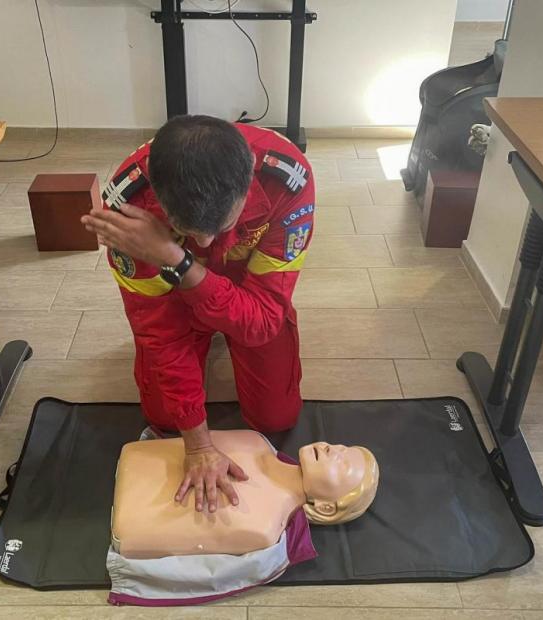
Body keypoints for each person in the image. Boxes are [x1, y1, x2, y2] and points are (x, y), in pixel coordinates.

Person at [81, 115, 315, 514]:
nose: (205, 242)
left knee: (277, 417)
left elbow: (261, 321)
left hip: (247, 290)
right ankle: (206, 326)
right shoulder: (128, 210)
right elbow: (160, 334)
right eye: (185, 229)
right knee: (163, 419)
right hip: (174, 299)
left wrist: (177, 258)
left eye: (222, 225)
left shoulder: (288, 180)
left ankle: (212, 319)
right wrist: (198, 445)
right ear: (158, 194)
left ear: (248, 178)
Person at [106, 430, 379, 606]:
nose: (334, 449)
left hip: (131, 519)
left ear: (326, 508)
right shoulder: (255, 441)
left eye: (343, 465)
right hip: (139, 464)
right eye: (342, 446)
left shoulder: (264, 528)